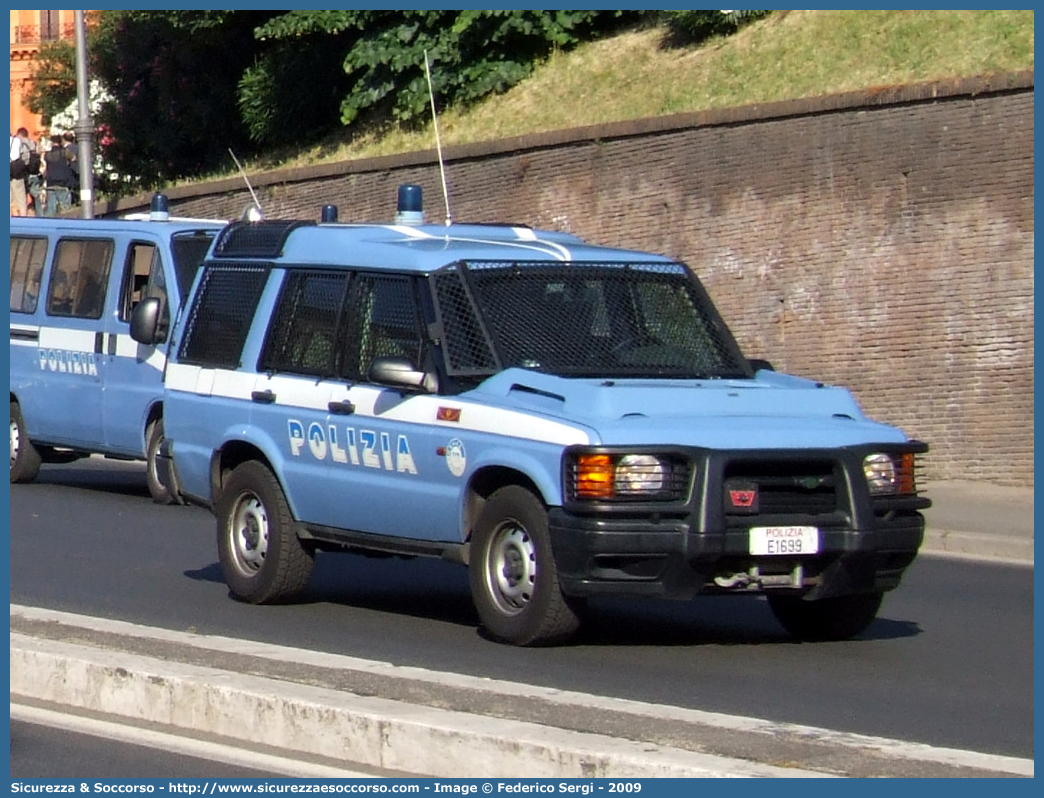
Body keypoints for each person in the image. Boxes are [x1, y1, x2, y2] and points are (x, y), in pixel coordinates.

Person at [41, 134, 75, 217]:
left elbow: (44, 167)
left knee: (50, 208)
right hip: (63, 182)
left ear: (52, 143)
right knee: (65, 208)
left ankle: (49, 226)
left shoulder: (47, 155)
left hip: (50, 183)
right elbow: (74, 158)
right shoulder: (65, 152)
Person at [10, 128, 30, 216]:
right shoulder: (17, 141)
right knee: (21, 197)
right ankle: (23, 217)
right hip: (17, 171)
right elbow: (25, 157)